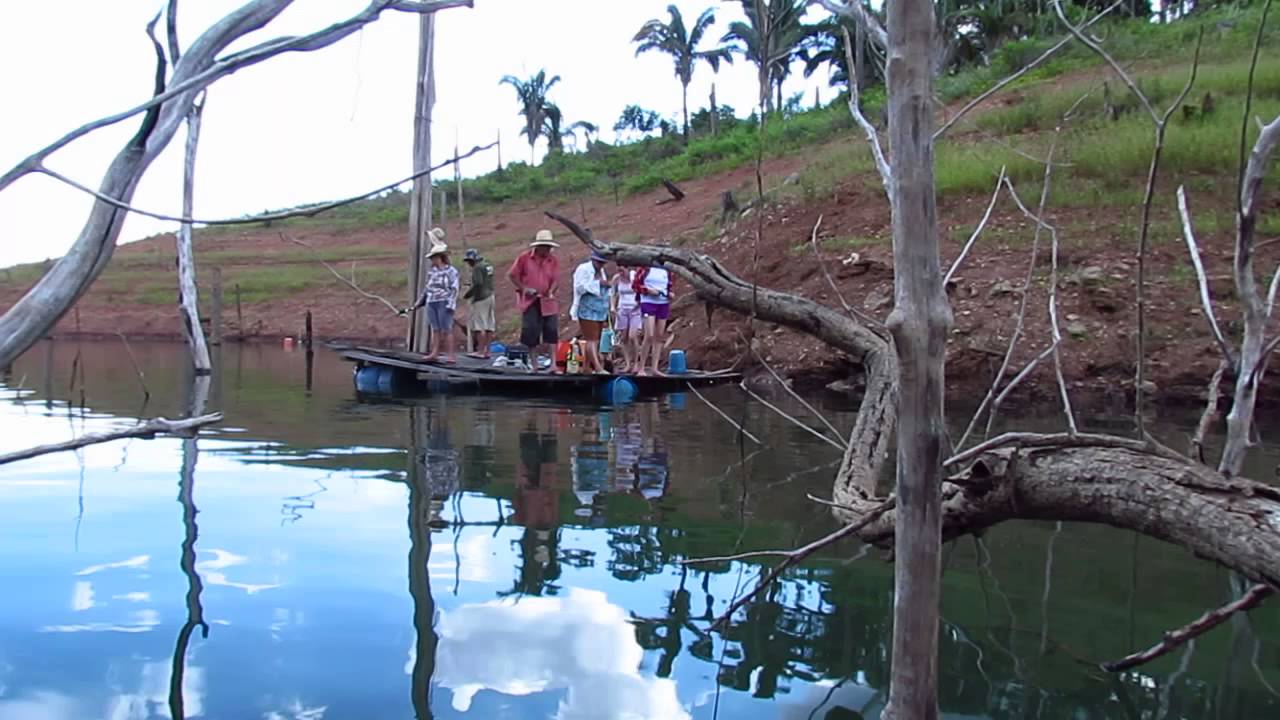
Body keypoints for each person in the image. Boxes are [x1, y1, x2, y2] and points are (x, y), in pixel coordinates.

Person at [507, 229, 561, 372]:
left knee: (552, 331)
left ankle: (553, 364)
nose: (548, 250)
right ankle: (534, 364)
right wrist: (524, 288)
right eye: (545, 247)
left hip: (547, 300)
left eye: (549, 247)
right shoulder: (524, 258)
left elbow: (556, 279)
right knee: (531, 331)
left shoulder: (553, 260)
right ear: (538, 246)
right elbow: (512, 275)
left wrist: (551, 291)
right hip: (530, 301)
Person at [403, 240, 459, 363]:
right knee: (435, 328)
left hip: (444, 302)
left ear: (440, 257)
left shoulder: (451, 271)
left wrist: (451, 304)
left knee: (447, 328)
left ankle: (450, 355)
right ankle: (434, 353)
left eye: (434, 257)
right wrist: (419, 302)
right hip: (431, 301)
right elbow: (427, 288)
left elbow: (454, 289)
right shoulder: (432, 272)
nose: (432, 260)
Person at [569, 251, 611, 374]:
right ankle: (598, 367)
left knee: (596, 338)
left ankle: (587, 367)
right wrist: (598, 284)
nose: (600, 265)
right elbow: (579, 287)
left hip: (599, 308)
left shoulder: (601, 271)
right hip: (587, 308)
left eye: (602, 262)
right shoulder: (583, 269)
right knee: (591, 339)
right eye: (599, 262)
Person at [633, 258, 674, 376]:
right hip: (648, 302)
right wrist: (648, 290)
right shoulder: (645, 267)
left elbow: (669, 286)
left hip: (663, 303)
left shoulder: (667, 270)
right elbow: (635, 285)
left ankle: (655, 368)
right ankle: (641, 368)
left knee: (659, 336)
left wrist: (670, 293)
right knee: (649, 335)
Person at [462, 248, 496, 358]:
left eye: (469, 261)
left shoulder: (477, 268)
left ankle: (480, 351)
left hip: (481, 298)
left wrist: (468, 294)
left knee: (480, 325)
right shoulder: (487, 265)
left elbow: (478, 283)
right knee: (489, 325)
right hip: (490, 295)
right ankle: (488, 351)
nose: (469, 263)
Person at [610, 262, 642, 374]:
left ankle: (637, 363)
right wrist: (613, 306)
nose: (620, 273)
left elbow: (641, 292)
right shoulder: (616, 279)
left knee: (633, 336)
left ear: (627, 268)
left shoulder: (634, 276)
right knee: (623, 338)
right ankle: (628, 363)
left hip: (635, 309)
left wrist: (638, 304)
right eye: (619, 270)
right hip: (622, 309)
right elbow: (612, 294)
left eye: (622, 270)